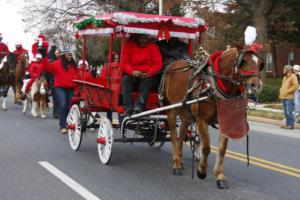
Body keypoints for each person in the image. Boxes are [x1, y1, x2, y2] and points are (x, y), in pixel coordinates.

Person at [122, 34, 163, 116]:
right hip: (133, 73)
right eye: (141, 37)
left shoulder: (153, 47)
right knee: (125, 80)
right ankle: (128, 107)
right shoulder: (129, 46)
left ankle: (139, 106)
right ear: (136, 37)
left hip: (148, 74)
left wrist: (149, 73)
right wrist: (132, 72)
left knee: (148, 82)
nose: (143, 40)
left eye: (145, 37)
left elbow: (158, 64)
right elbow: (124, 62)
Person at [43, 50, 78, 134]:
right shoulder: (56, 63)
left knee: (69, 106)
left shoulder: (74, 65)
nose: (69, 57)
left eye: (70, 55)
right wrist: (44, 56)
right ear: (63, 56)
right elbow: (47, 67)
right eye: (67, 55)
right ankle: (62, 126)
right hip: (60, 87)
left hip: (71, 88)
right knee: (63, 104)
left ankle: (66, 121)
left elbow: (78, 74)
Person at [279, 65, 299, 129]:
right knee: (285, 112)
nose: (283, 70)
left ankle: (291, 125)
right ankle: (287, 124)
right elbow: (283, 86)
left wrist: (287, 91)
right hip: (283, 97)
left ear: (287, 70)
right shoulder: (285, 77)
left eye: (284, 69)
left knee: (289, 111)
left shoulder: (293, 76)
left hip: (289, 97)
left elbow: (295, 86)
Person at [46, 45, 59, 118]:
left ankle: (57, 112)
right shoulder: (49, 56)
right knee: (56, 98)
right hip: (52, 80)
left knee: (57, 98)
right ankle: (56, 112)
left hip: (55, 80)